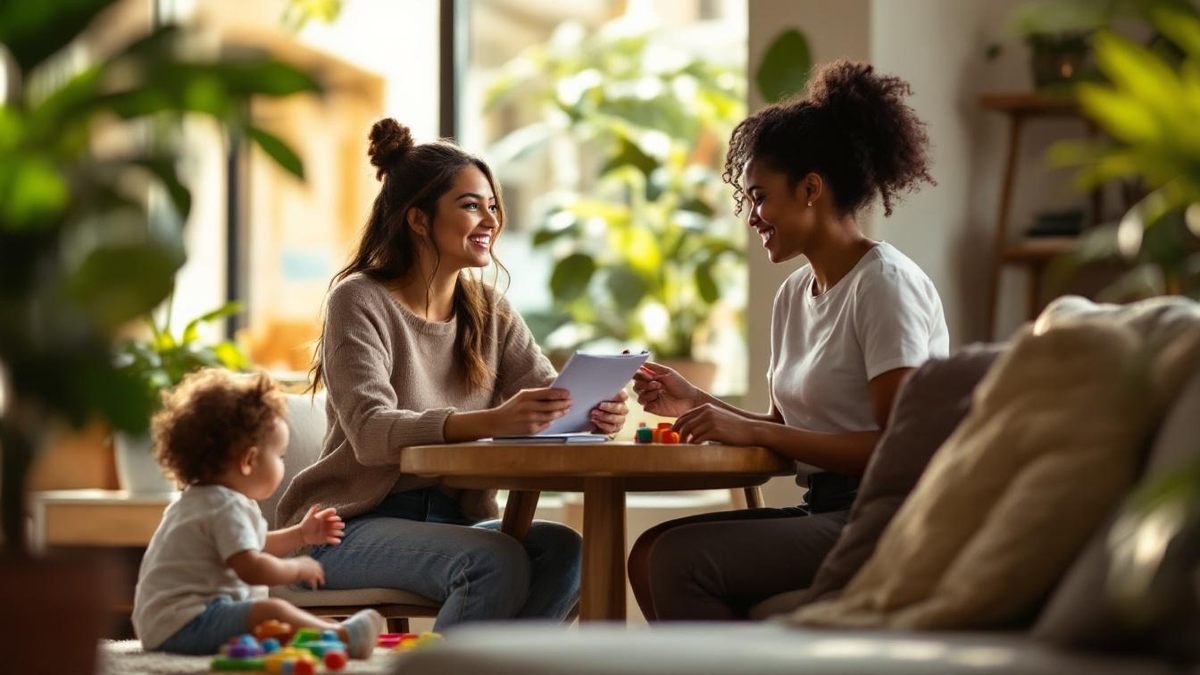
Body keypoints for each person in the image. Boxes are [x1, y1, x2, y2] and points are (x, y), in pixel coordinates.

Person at [627, 60, 949, 621]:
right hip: (823, 507)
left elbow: (901, 446)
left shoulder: (884, 285)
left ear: (810, 189)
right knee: (649, 553)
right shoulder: (795, 293)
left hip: (885, 514)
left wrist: (743, 425)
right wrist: (697, 403)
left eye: (759, 196)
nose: (752, 216)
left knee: (676, 559)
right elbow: (786, 430)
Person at [275, 119, 629, 629]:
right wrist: (493, 421)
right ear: (418, 220)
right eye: (470, 205)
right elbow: (373, 433)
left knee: (566, 549)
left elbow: (545, 400)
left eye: (492, 205)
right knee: (493, 560)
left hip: (454, 519)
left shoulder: (489, 308)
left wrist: (590, 412)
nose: (490, 219)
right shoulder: (359, 300)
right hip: (343, 528)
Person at [132, 368, 384, 656]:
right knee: (270, 610)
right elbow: (252, 568)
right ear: (249, 460)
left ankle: (322, 633)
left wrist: (301, 534)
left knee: (276, 621)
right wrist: (296, 569)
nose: (282, 463)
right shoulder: (224, 506)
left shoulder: (200, 500)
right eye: (280, 456)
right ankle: (342, 636)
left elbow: (255, 543)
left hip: (168, 623)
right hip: (188, 622)